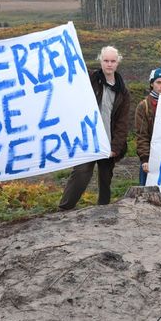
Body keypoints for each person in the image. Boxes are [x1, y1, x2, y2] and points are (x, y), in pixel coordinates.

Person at [58, 45, 131, 210]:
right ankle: (65, 208)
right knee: (81, 173)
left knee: (105, 178)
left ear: (118, 62)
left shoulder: (123, 92)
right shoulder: (90, 79)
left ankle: (103, 211)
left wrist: (116, 147)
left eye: (113, 61)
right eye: (106, 60)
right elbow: (73, 69)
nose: (109, 64)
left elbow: (122, 123)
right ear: (100, 61)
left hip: (108, 142)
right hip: (88, 139)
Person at [134, 67, 161, 186]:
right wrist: (145, 158)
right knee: (147, 192)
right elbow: (141, 135)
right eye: (158, 82)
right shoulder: (143, 106)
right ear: (151, 84)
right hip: (151, 158)